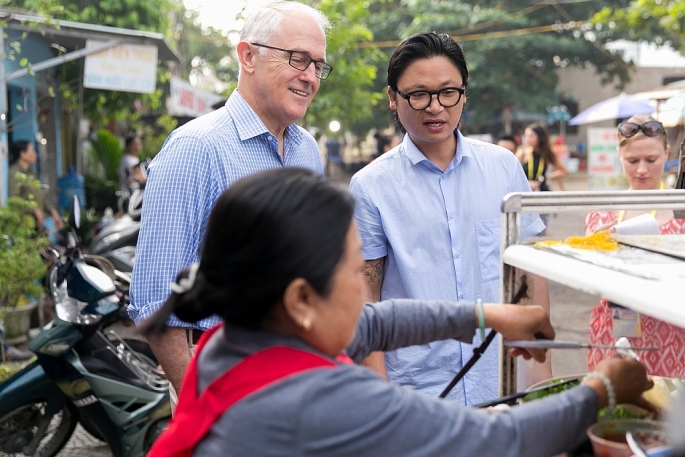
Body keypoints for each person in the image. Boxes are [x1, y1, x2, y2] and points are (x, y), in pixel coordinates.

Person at [144, 167, 653, 457]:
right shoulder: (323, 397)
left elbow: (378, 323)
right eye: (352, 269)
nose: (364, 285)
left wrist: (491, 315)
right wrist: (603, 388)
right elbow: (502, 441)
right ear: (301, 299)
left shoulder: (236, 341)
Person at [129, 0, 332, 406]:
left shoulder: (307, 151)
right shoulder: (195, 148)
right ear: (248, 56)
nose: (309, 76)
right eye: (297, 58)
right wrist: (205, 404)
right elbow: (153, 301)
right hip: (223, 379)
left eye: (318, 65)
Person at [348, 32, 549, 403]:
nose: (435, 107)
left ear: (463, 94)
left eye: (447, 92)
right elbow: (366, 298)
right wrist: (377, 397)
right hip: (417, 390)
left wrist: (539, 379)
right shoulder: (371, 186)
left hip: (500, 377)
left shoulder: (503, 168)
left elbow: (530, 268)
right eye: (418, 94)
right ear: (393, 99)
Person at [585, 115, 685, 378]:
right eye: (632, 161)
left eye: (651, 160)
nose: (642, 170)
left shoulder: (680, 211)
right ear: (620, 155)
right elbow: (589, 277)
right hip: (614, 327)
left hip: (670, 329)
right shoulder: (602, 215)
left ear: (666, 152)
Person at [8, 140, 62, 231]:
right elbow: (14, 199)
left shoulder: (31, 172)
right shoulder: (14, 173)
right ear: (23, 154)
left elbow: (39, 195)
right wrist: (34, 209)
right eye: (32, 151)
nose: (35, 154)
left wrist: (52, 211)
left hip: (38, 225)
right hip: (25, 226)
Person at [517, 122, 568, 193]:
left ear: (540, 137)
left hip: (542, 191)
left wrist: (547, 177)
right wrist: (527, 183)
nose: (527, 139)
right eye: (526, 136)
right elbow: (514, 174)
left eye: (531, 136)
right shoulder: (522, 153)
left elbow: (563, 171)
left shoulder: (547, 153)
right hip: (526, 192)